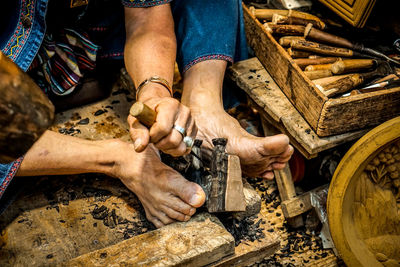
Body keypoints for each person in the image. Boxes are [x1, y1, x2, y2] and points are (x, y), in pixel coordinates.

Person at [0, 0, 293, 228]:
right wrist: (122, 159)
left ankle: (203, 107)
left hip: (87, 35)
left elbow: (147, 17)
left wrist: (154, 90)